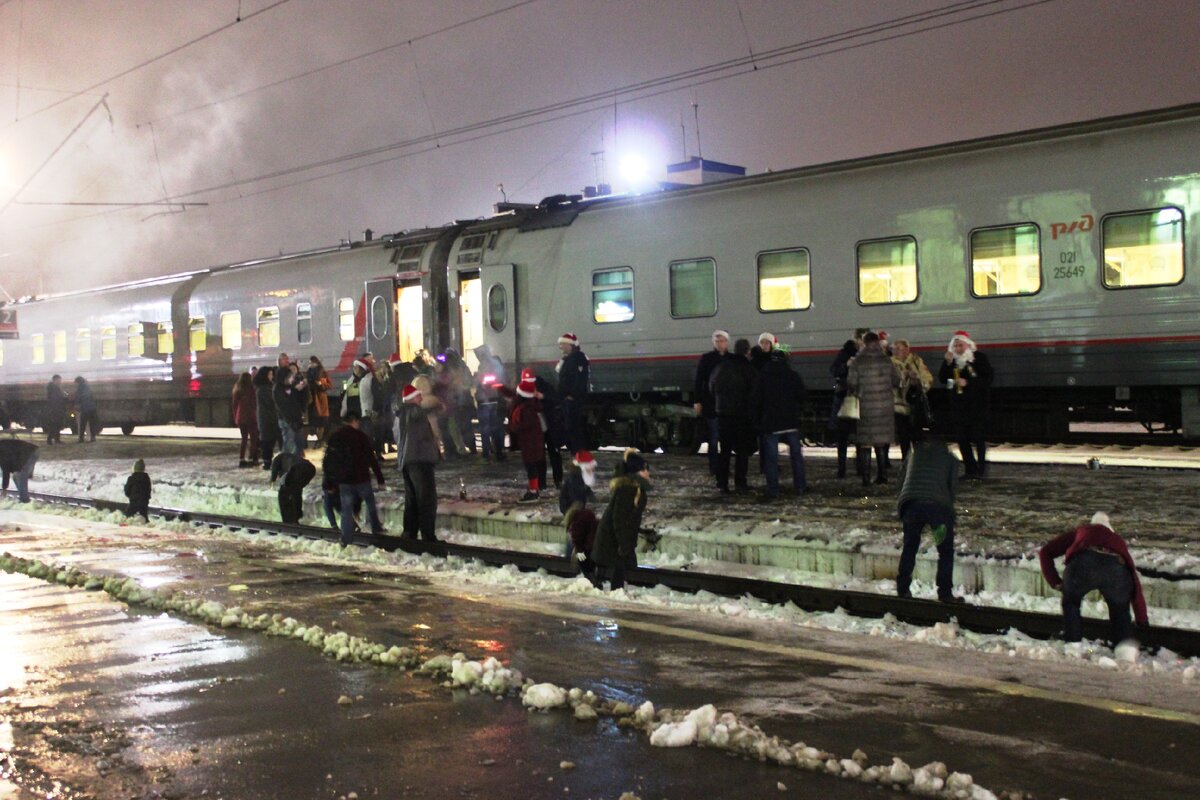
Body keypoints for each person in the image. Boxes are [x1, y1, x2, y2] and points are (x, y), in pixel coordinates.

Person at [1039, 512, 1148, 645]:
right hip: (1115, 567)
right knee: (1120, 610)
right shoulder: (1117, 540)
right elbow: (1134, 579)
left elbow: (1045, 551)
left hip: (1083, 564)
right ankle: (1124, 648)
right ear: (1110, 529)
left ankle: (1073, 643)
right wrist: (1141, 619)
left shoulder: (1082, 531)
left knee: (1071, 602)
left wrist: (1055, 581)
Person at [894, 433, 961, 603]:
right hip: (937, 509)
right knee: (945, 550)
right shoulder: (950, 459)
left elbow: (900, 481)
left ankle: (902, 589)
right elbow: (952, 488)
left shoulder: (913, 454)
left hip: (912, 507)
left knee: (910, 546)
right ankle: (944, 593)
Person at [750, 348, 807, 500]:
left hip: (771, 423)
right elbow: (802, 397)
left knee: (771, 459)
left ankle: (774, 490)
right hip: (791, 422)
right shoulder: (793, 376)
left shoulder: (763, 376)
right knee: (796, 457)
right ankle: (800, 486)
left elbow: (756, 400)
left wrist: (757, 420)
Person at [591, 449, 651, 591]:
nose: (648, 473)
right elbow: (618, 519)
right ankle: (609, 592)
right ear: (636, 473)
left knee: (618, 568)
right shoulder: (627, 491)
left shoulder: (635, 490)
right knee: (616, 567)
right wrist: (624, 543)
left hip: (618, 539)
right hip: (613, 538)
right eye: (645, 470)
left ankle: (607, 589)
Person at [323, 410, 387, 545]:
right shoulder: (361, 436)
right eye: (358, 422)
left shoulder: (335, 437)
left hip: (344, 481)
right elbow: (371, 458)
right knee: (370, 502)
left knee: (346, 509)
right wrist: (380, 478)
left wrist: (329, 482)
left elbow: (329, 462)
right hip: (362, 478)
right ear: (354, 421)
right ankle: (376, 528)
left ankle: (346, 538)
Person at [394, 376, 444, 542]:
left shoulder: (400, 416)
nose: (421, 398)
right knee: (426, 499)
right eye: (418, 396)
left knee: (412, 500)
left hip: (407, 461)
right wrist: (435, 404)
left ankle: (410, 533)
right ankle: (428, 536)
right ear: (410, 399)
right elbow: (421, 411)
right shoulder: (412, 412)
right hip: (419, 461)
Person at [938, 330, 993, 479]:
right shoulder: (952, 361)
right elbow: (942, 378)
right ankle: (970, 469)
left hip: (977, 406)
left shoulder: (979, 358)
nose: (958, 349)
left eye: (960, 345)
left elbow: (988, 379)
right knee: (962, 439)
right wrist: (947, 364)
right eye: (955, 346)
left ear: (968, 345)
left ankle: (981, 470)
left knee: (979, 438)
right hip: (959, 406)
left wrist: (968, 382)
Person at [848, 331, 898, 486]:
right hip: (884, 407)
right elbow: (896, 381)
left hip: (865, 407)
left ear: (864, 342)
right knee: (881, 442)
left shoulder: (858, 361)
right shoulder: (887, 360)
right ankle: (883, 476)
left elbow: (852, 384)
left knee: (865, 443)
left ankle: (865, 478)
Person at [709, 338, 757, 494]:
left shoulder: (721, 367)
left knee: (725, 451)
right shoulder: (749, 369)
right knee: (742, 452)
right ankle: (740, 483)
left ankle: (722, 483)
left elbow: (712, 386)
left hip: (723, 415)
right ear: (747, 351)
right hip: (741, 416)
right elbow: (754, 392)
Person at [692, 329, 729, 476]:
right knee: (714, 439)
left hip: (727, 404)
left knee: (725, 438)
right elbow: (699, 380)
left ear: (727, 342)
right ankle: (714, 468)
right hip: (711, 403)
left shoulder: (731, 359)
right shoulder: (706, 359)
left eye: (722, 340)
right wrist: (697, 400)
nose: (719, 343)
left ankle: (724, 468)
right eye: (716, 341)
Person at [891, 339, 934, 462]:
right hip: (897, 405)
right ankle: (906, 461)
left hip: (915, 406)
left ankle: (919, 461)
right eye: (894, 349)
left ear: (906, 349)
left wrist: (917, 379)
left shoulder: (916, 361)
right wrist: (903, 377)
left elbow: (928, 379)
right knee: (903, 437)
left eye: (898, 348)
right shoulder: (890, 363)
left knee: (917, 435)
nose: (895, 351)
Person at [507, 374, 546, 502]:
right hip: (531, 442)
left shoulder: (527, 408)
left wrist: (513, 427)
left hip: (530, 443)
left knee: (531, 467)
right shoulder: (530, 405)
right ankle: (533, 489)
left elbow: (525, 425)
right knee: (531, 467)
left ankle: (534, 492)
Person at [559, 450, 599, 575]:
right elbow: (575, 496)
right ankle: (571, 565)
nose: (592, 471)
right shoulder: (574, 479)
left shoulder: (579, 476)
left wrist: (591, 496)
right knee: (575, 537)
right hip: (572, 510)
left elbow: (585, 489)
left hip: (576, 509)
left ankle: (573, 562)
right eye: (590, 468)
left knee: (575, 535)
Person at [827, 338, 859, 479]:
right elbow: (834, 370)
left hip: (848, 400)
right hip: (849, 400)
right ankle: (845, 468)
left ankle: (855, 467)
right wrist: (846, 365)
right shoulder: (845, 355)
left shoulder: (865, 355)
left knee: (849, 437)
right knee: (847, 436)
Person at [556, 332, 590, 452]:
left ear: (570, 345)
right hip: (568, 400)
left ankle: (578, 456)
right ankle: (576, 456)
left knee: (574, 429)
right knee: (571, 429)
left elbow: (580, 380)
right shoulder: (570, 359)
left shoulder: (577, 359)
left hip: (573, 401)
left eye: (562, 344)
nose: (560, 347)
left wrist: (572, 396)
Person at [473, 344, 507, 462]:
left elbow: (484, 381)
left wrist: (478, 380)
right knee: (495, 427)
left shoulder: (484, 365)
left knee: (485, 428)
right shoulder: (495, 364)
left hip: (485, 401)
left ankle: (486, 452)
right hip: (494, 399)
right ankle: (498, 451)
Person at [274, 363, 308, 456]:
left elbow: (301, 399)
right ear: (284, 377)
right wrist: (291, 421)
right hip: (287, 421)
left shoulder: (290, 387)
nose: (292, 378)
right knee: (289, 445)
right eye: (290, 377)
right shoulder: (278, 389)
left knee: (299, 444)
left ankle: (296, 462)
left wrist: (303, 388)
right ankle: (287, 464)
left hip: (295, 419)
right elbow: (284, 407)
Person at [278, 456, 316, 524]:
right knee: (296, 497)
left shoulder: (290, 479)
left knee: (294, 498)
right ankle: (296, 517)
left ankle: (292, 519)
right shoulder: (294, 474)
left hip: (294, 478)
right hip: (308, 469)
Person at [232, 372, 259, 467]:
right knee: (253, 438)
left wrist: (236, 417)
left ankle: (241, 459)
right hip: (251, 417)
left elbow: (234, 405)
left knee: (244, 439)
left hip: (241, 417)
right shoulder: (252, 389)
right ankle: (252, 458)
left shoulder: (237, 389)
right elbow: (255, 403)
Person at [253, 366, 278, 470]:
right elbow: (271, 402)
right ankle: (267, 462)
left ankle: (268, 461)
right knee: (267, 441)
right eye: (270, 374)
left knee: (269, 441)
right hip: (267, 419)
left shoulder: (267, 387)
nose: (272, 376)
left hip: (269, 418)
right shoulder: (263, 389)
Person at [306, 356, 332, 445]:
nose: (311, 365)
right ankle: (318, 439)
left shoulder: (323, 372)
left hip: (320, 399)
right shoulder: (308, 373)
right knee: (314, 420)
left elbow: (329, 385)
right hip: (311, 398)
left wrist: (321, 383)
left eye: (312, 363)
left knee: (322, 420)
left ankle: (320, 440)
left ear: (317, 363)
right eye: (310, 363)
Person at [73, 376, 99, 442]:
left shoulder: (80, 388)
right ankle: (93, 438)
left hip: (85, 408)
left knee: (83, 424)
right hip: (92, 408)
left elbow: (79, 397)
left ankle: (81, 438)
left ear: (78, 382)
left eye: (76, 383)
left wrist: (76, 403)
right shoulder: (87, 386)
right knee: (92, 424)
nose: (75, 384)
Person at [45, 374, 67, 444]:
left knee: (57, 425)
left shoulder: (55, 388)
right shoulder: (53, 388)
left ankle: (56, 439)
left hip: (56, 409)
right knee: (55, 425)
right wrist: (64, 397)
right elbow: (55, 399)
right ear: (55, 380)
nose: (60, 382)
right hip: (55, 409)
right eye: (59, 380)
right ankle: (50, 439)